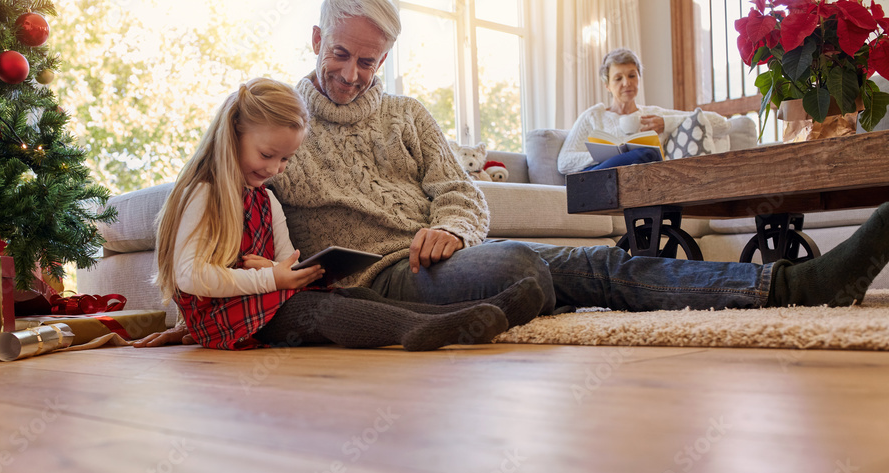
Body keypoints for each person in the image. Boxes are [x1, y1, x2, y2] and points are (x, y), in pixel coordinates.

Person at [139, 0, 889, 347]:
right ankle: (788, 286)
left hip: (440, 256)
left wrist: (452, 227)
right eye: (340, 55)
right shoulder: (278, 128)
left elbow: (462, 191)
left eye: (369, 61)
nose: (352, 74)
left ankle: (792, 287)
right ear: (316, 39)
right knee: (537, 267)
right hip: (372, 279)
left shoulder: (406, 115)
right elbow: (210, 197)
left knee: (595, 265)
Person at [141, 77, 545, 352]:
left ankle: (473, 315)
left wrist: (288, 271)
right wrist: (270, 277)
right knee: (316, 311)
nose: (276, 169)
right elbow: (191, 275)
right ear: (231, 135)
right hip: (227, 319)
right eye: (268, 155)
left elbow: (286, 262)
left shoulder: (266, 200)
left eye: (286, 160)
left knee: (355, 295)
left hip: (265, 300)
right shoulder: (204, 193)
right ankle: (413, 330)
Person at [556, 48, 728, 174]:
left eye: (632, 76)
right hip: (604, 177)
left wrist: (666, 123)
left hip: (644, 182)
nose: (626, 83)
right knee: (647, 154)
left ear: (639, 78)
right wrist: (606, 156)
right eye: (618, 78)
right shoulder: (594, 116)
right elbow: (564, 162)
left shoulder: (654, 115)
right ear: (607, 85)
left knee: (650, 155)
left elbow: (721, 124)